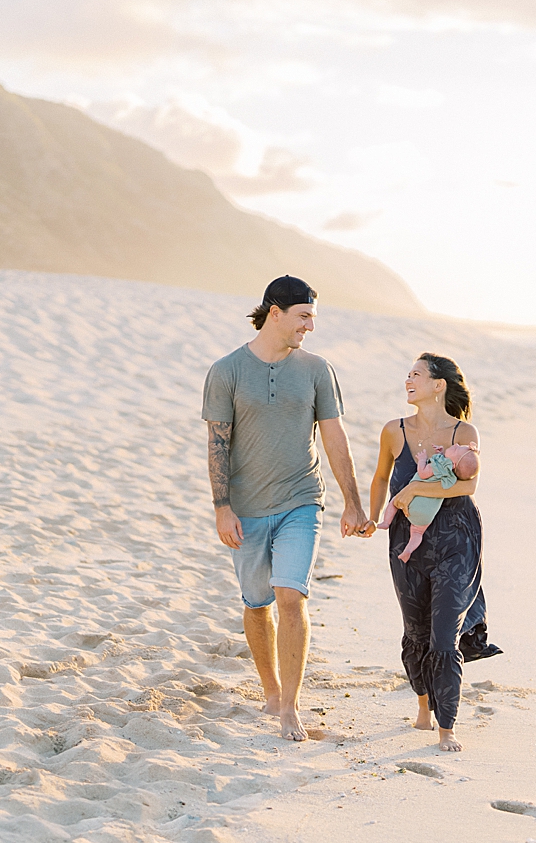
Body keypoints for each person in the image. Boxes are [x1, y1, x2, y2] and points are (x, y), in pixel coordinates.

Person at [202, 275, 368, 741]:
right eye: (304, 316)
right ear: (274, 312)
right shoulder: (226, 371)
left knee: (290, 598)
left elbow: (334, 438)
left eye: (313, 317)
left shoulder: (317, 370)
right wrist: (222, 507)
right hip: (247, 508)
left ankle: (290, 707)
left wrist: (352, 504)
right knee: (257, 604)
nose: (310, 327)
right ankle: (271, 691)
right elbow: (218, 443)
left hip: (301, 499)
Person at [367, 353, 500, 752]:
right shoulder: (393, 431)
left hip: (457, 538)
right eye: (407, 374)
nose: (408, 380)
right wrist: (369, 518)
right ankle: (423, 702)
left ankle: (447, 726)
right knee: (416, 633)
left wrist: (412, 490)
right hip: (408, 543)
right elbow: (378, 479)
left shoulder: (464, 431)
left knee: (445, 637)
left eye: (417, 375)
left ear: (438, 385)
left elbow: (467, 487)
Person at [379, 442, 479, 563]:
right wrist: (441, 453)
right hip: (427, 515)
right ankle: (409, 550)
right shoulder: (450, 473)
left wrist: (422, 460)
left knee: (395, 501)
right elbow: (446, 463)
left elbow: (423, 473)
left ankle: (386, 522)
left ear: (453, 464)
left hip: (414, 503)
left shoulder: (438, 466)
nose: (456, 444)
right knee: (417, 533)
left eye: (457, 448)